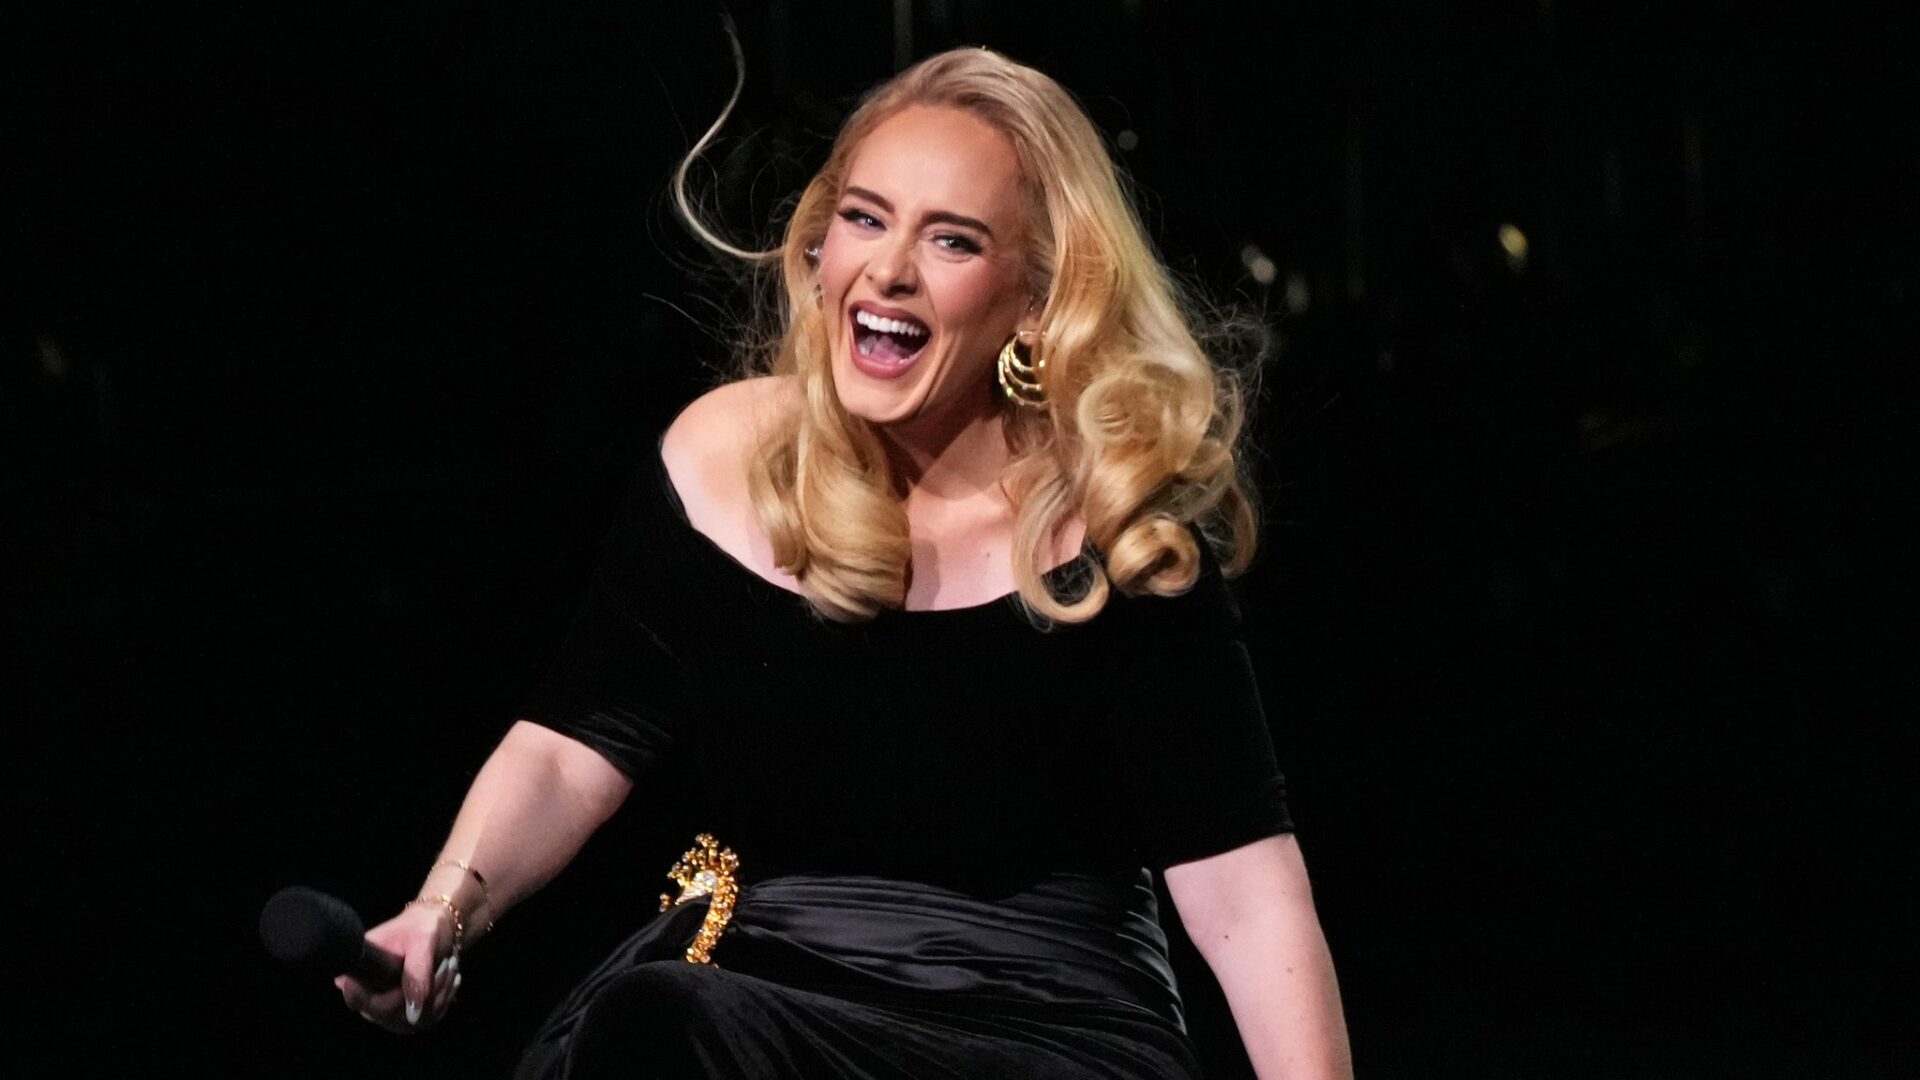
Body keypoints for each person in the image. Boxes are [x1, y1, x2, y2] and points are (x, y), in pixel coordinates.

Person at [338, 45, 1352, 1080]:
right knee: (656, 1019)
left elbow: (1246, 896)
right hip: (767, 1008)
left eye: (952, 240)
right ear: (819, 243)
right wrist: (438, 912)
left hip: (1043, 1027)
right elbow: (570, 748)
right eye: (866, 219)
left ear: (1038, 298)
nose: (889, 270)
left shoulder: (1113, 524)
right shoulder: (726, 462)